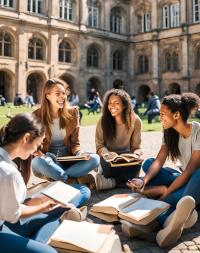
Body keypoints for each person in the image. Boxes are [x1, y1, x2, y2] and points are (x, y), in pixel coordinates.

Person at [0, 112, 91, 253]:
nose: (35, 151)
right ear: (26, 138)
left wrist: (42, 202)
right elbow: (13, 215)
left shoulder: (7, 164)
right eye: (36, 144)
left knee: (62, 206)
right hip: (5, 226)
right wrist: (45, 207)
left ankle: (39, 237)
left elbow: (9, 209)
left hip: (6, 218)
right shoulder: (7, 172)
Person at [123, 93, 200, 248]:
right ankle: (173, 210)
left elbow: (190, 171)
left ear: (176, 114)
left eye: (163, 114)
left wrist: (164, 196)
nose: (160, 118)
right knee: (149, 163)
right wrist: (144, 180)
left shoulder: (198, 131)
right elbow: (158, 160)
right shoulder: (170, 132)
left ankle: (159, 218)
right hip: (185, 182)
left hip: (196, 181)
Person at [31, 78, 99, 186]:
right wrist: (35, 152)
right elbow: (32, 145)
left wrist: (81, 153)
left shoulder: (73, 114)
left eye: (63, 93)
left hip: (68, 161)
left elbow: (75, 144)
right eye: (57, 93)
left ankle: (60, 179)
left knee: (95, 158)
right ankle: (73, 181)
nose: (63, 97)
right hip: (48, 161)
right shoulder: (35, 116)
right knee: (36, 162)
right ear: (47, 96)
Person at [95, 88, 142, 190]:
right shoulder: (102, 121)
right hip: (109, 159)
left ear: (124, 105)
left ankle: (110, 183)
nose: (112, 106)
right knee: (128, 180)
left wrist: (136, 154)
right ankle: (117, 181)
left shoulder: (136, 121)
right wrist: (107, 153)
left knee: (136, 167)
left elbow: (136, 147)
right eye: (110, 103)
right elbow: (99, 146)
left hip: (127, 159)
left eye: (116, 103)